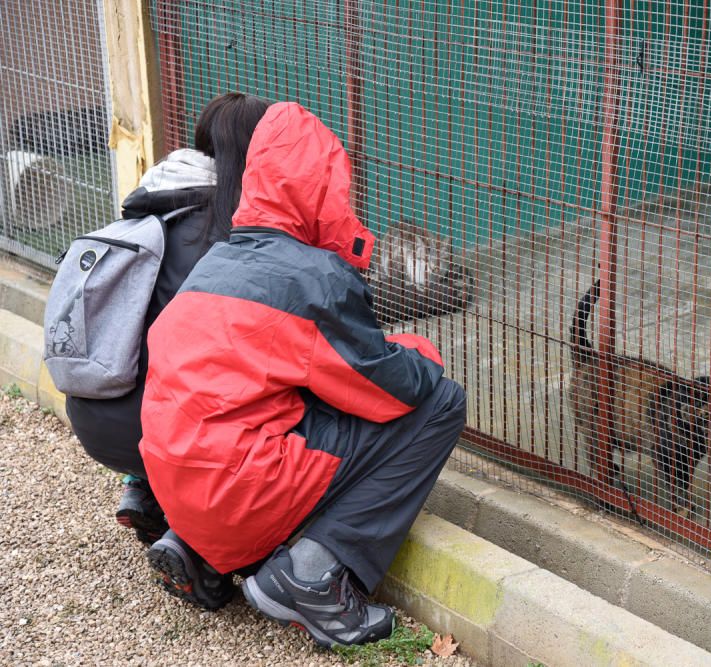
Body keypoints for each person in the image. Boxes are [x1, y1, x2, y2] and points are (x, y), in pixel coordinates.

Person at [140, 102, 467, 645]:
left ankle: (199, 551)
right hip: (235, 491)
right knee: (441, 402)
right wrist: (418, 351)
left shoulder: (215, 263)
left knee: (272, 404)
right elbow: (390, 389)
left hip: (173, 485)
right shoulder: (310, 277)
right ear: (322, 189)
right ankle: (312, 575)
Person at [63, 93, 270, 544]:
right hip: (153, 429)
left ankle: (141, 487)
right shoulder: (223, 231)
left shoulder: (147, 202)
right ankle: (192, 533)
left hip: (89, 410)